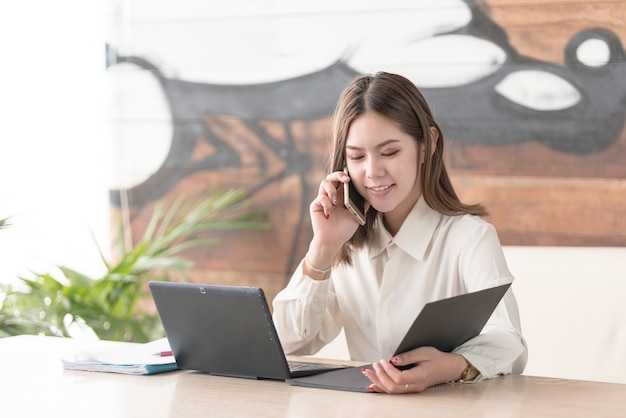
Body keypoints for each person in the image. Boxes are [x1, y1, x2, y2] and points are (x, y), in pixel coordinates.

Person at [272, 71, 527, 394]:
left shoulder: (469, 238)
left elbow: (511, 344)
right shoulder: (345, 242)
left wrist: (449, 367)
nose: (373, 172)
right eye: (357, 157)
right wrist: (323, 247)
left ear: (427, 146)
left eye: (390, 152)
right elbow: (289, 341)